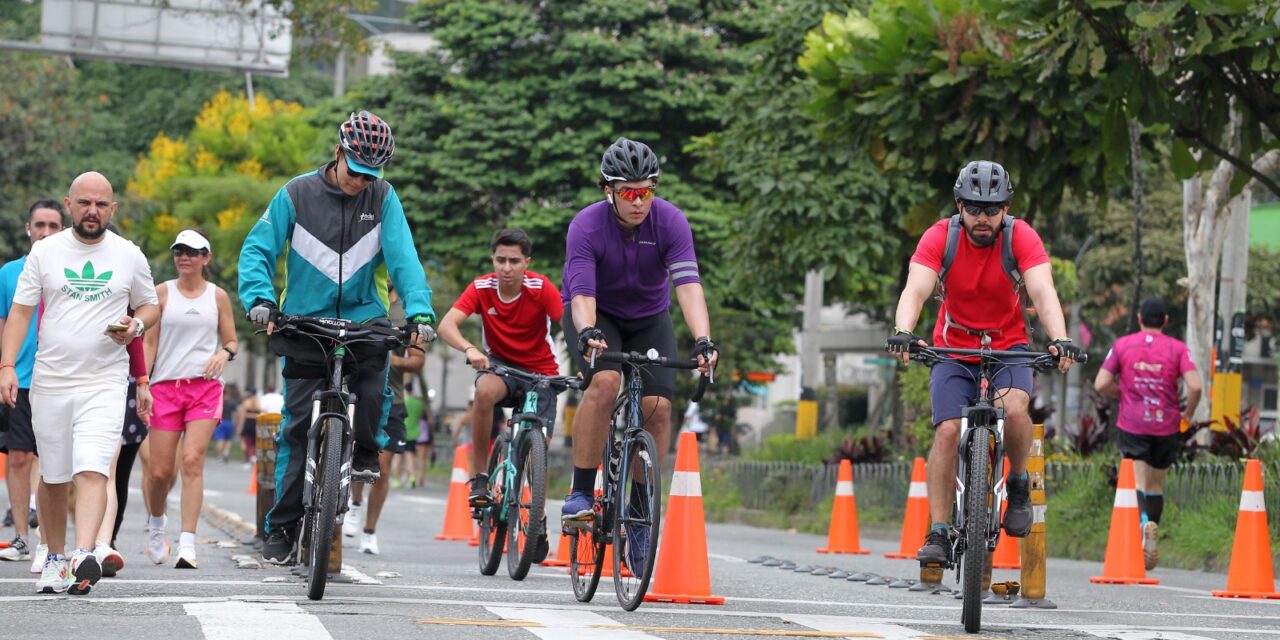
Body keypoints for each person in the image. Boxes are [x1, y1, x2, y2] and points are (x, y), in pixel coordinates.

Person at [239, 110, 435, 565]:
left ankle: (365, 449)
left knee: (372, 387)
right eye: (355, 171)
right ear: (337, 153)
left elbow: (405, 259)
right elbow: (257, 250)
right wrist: (261, 299)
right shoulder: (296, 193)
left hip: (365, 318)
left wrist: (420, 309)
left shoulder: (384, 198)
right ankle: (283, 526)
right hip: (305, 320)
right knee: (293, 427)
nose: (361, 182)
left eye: (371, 175)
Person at [886, 160, 1079, 565]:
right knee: (947, 432)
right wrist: (904, 330)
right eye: (973, 208)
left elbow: (1043, 291)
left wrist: (1060, 338)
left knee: (1015, 409)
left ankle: (1020, 482)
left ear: (1006, 209)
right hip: (953, 349)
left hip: (1009, 347)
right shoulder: (941, 236)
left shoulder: (1021, 237)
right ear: (959, 205)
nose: (982, 218)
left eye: (992, 209)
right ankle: (939, 532)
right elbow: (916, 289)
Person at [558, 138, 718, 573]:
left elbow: (687, 286)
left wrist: (704, 340)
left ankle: (641, 507)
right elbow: (582, 294)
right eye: (627, 192)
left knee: (659, 407)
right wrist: (589, 331)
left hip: (649, 316)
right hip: (597, 313)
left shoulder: (670, 222)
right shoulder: (586, 225)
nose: (637, 201)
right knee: (606, 382)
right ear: (607, 190)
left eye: (645, 191)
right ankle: (580, 491)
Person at [0, 171, 159, 595]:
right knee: (52, 477)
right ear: (69, 205)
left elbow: (149, 304)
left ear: (113, 209)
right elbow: (20, 312)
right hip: (51, 381)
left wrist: (136, 325)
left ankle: (83, 554)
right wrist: (7, 366)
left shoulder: (129, 255)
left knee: (92, 468)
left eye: (101, 204)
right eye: (84, 203)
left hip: (105, 381)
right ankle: (54, 555)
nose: (93, 211)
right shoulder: (46, 252)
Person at [437, 228, 565, 560]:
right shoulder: (481, 288)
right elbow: (447, 325)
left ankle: (537, 517)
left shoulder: (541, 289)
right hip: (502, 368)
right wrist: (470, 349)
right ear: (493, 260)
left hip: (541, 374)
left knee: (538, 450)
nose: (506, 268)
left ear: (527, 263)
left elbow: (569, 322)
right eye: (500, 260)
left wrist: (582, 364)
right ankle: (479, 477)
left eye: (514, 261)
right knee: (483, 392)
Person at [141, 229, 239, 569]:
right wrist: (144, 383)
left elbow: (231, 341)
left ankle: (187, 544)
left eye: (193, 252)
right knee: (159, 473)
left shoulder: (218, 296)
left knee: (193, 461)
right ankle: (156, 526)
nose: (185, 257)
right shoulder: (161, 294)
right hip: (165, 388)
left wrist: (223, 355)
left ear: (206, 257)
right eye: (179, 251)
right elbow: (149, 344)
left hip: (204, 388)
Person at [1094, 297, 1201, 570]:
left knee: (1138, 481)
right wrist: (1187, 414)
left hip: (1133, 423)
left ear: (1140, 318)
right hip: (1167, 424)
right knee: (1156, 484)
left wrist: (1124, 394)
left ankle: (1143, 526)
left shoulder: (1122, 345)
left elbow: (1101, 383)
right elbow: (1196, 386)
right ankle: (1152, 529)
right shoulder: (1178, 348)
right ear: (1166, 321)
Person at [0, 199, 64, 564]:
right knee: (20, 457)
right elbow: (3, 324)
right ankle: (22, 535)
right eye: (39, 225)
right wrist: (4, 367)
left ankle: (49, 539)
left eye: (53, 226)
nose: (45, 232)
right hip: (21, 380)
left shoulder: (68, 273)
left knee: (53, 460)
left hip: (58, 377)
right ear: (28, 229)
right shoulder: (9, 273)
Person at [344, 284, 425, 555]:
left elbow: (417, 361)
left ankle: (370, 531)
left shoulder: (406, 308)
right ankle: (355, 503)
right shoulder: (360, 292)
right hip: (357, 394)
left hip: (394, 399)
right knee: (357, 455)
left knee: (384, 467)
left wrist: (386, 356)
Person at [214, 385, 242, 463]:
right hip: (230, 422)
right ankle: (226, 453)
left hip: (220, 422)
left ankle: (219, 456)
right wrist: (237, 423)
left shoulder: (219, 401)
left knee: (220, 439)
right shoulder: (232, 402)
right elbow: (237, 413)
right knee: (228, 439)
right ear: (228, 393)